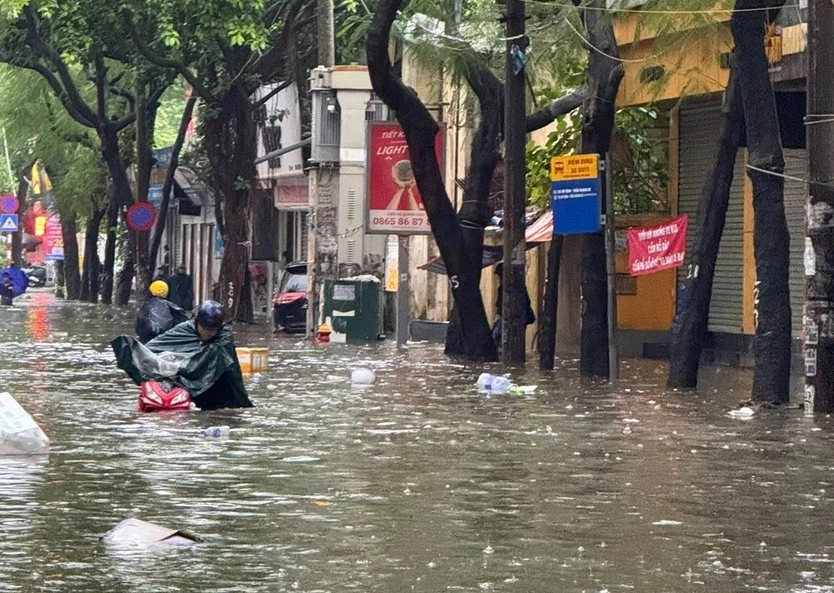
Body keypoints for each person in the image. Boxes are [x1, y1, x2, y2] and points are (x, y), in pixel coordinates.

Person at [112, 300, 254, 411]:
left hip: (220, 391)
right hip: (190, 392)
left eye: (213, 330)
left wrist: (181, 368)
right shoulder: (184, 330)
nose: (208, 333)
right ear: (197, 322)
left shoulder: (223, 339)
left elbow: (208, 360)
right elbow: (153, 348)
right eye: (205, 328)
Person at [492, 262, 536, 345]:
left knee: (498, 337)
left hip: (513, 317)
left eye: (499, 275)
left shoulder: (508, 287)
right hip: (514, 317)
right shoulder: (514, 286)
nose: (498, 278)